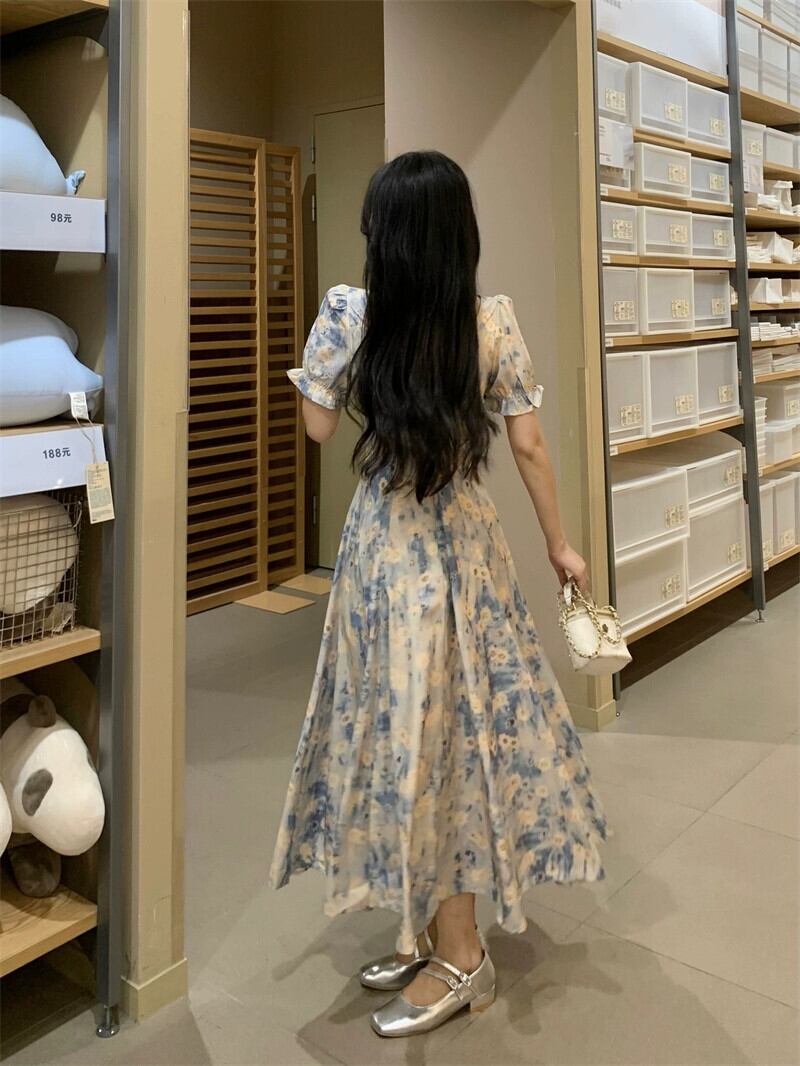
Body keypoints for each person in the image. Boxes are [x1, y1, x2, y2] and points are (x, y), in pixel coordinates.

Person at [269, 150, 607, 1038]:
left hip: (383, 554)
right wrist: (561, 547)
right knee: (448, 731)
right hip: (466, 551)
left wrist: (328, 353)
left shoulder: (352, 315)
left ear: (382, 236)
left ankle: (462, 954)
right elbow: (528, 447)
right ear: (460, 236)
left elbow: (316, 424)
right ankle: (426, 932)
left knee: (409, 731)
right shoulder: (490, 323)